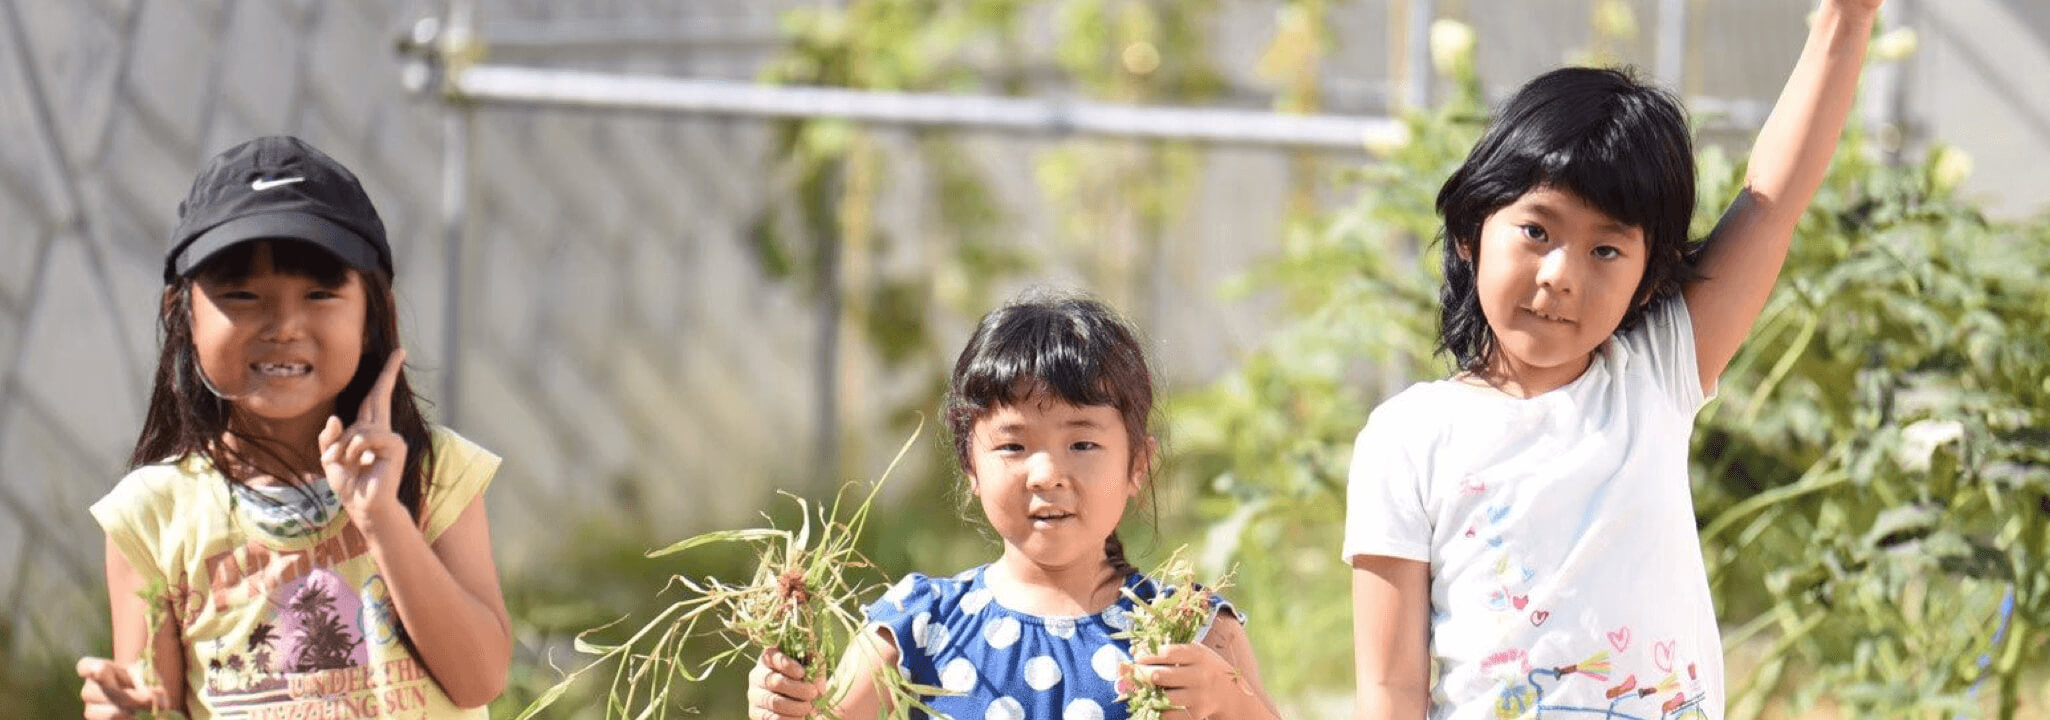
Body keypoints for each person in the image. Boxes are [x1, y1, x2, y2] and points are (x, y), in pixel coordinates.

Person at [1346, 2, 1882, 717]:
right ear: (1473, 230)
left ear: (1648, 280)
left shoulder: (1656, 373)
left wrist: (1844, 22)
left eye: (1606, 249)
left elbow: (1772, 202)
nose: (1562, 274)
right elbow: (1390, 683)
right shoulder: (1406, 435)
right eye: (1537, 230)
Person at [76, 135, 511, 719]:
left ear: (373, 313)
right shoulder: (149, 516)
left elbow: (479, 678)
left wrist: (384, 519)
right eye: (243, 294)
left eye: (320, 293)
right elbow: (154, 700)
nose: (284, 324)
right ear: (179, 313)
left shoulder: (435, 472)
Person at [748, 291, 1284, 720]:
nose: (1047, 474)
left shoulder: (1193, 631)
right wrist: (790, 704)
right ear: (969, 466)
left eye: (1082, 444)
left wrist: (1227, 700)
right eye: (1013, 446)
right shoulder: (917, 625)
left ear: (1138, 464)